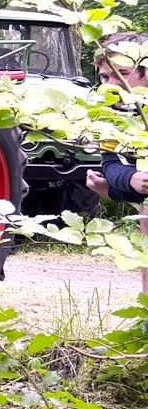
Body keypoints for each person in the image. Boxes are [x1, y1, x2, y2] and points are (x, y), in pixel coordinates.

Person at [83, 33, 148, 292]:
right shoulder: (112, 116)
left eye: (121, 74)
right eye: (105, 77)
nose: (110, 85)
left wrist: (114, 190)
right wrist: (127, 181)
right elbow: (111, 164)